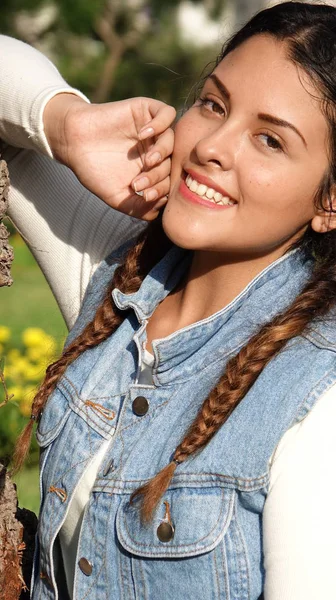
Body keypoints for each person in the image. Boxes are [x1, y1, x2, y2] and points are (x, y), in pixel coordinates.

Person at [2, 2, 336, 598]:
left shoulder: (317, 398)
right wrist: (69, 125)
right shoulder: (118, 268)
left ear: (328, 202)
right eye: (213, 104)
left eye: (269, 140)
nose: (212, 146)